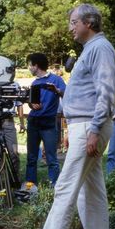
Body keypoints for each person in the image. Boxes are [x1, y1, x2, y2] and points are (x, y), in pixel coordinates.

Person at [40, 4, 115, 229]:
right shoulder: (91, 49)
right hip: (83, 127)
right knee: (91, 193)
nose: (70, 27)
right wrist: (74, 129)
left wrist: (92, 130)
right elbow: (86, 94)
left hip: (89, 127)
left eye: (74, 22)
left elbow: (105, 92)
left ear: (89, 23)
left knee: (65, 189)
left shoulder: (100, 48)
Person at [25, 53, 66, 187]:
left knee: (51, 157)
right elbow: (32, 103)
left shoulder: (56, 79)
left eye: (30, 65)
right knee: (31, 157)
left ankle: (55, 186)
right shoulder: (34, 83)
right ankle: (30, 186)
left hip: (48, 122)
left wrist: (57, 90)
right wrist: (31, 104)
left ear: (36, 66)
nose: (29, 68)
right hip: (33, 122)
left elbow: (67, 94)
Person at [2, 82, 25, 178]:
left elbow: (19, 104)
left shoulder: (16, 85)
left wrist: (22, 123)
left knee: (14, 152)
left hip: (9, 122)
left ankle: (15, 178)